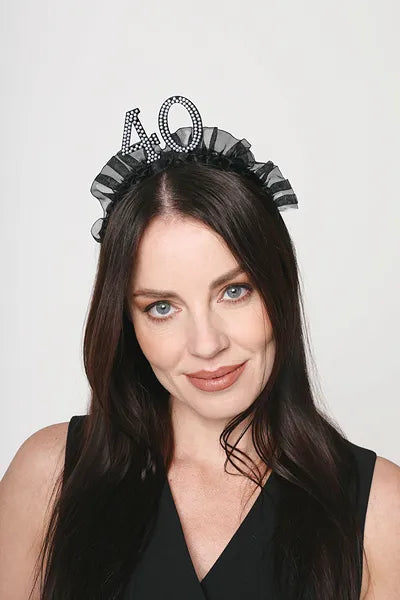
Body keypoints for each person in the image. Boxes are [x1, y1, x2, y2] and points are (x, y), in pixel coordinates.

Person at [0, 95, 399, 600]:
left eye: (234, 291)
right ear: (126, 321)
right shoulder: (49, 477)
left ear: (279, 287)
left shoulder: (382, 512)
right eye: (162, 307)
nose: (207, 344)